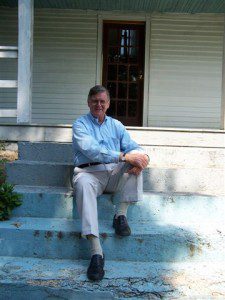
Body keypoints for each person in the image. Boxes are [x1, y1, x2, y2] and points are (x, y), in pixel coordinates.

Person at [72, 85, 149, 281]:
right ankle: (96, 252)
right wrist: (124, 157)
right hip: (90, 173)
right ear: (89, 102)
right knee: (81, 183)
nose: (99, 104)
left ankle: (120, 215)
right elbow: (91, 150)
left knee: (136, 163)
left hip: (113, 173)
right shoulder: (80, 125)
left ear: (108, 104)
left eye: (102, 101)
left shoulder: (116, 125)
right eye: (95, 101)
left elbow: (134, 147)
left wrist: (142, 157)